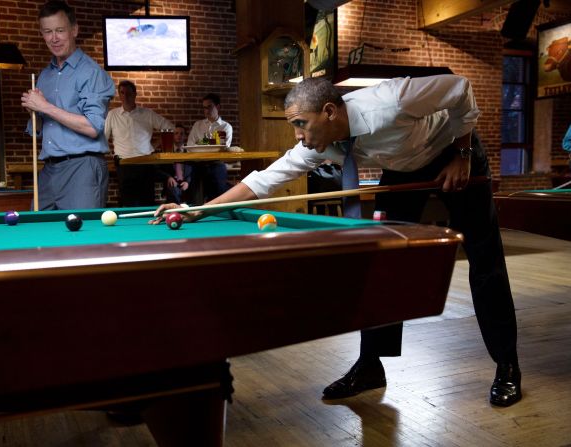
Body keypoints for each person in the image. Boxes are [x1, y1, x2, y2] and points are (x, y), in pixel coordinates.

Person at [153, 75, 522, 407]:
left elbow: (460, 89)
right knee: (383, 265)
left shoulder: (393, 100)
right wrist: (196, 211)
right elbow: (263, 181)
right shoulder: (321, 144)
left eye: (301, 124)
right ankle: (370, 365)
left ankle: (507, 364)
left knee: (484, 259)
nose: (297, 135)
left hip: (454, 153)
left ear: (329, 111)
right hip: (402, 168)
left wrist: (462, 153)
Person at [21, 0, 114, 210]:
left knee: (83, 238)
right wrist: (33, 113)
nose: (54, 38)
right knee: (37, 233)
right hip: (49, 170)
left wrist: (44, 107)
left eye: (60, 30)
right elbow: (38, 132)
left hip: (83, 168)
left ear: (74, 30)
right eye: (47, 31)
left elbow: (92, 127)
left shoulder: (91, 73)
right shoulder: (45, 75)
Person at [105, 80, 174, 206]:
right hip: (124, 162)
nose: (125, 96)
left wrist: (154, 145)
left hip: (146, 161)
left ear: (135, 94)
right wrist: (110, 154)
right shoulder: (112, 115)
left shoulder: (147, 114)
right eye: (122, 93)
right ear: (119, 95)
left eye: (129, 93)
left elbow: (170, 127)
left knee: (147, 200)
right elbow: (104, 138)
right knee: (127, 201)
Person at [187, 93, 233, 201]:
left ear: (218, 107)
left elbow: (223, 147)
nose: (206, 110)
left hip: (216, 166)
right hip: (198, 166)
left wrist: (201, 142)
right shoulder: (197, 125)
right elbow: (189, 146)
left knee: (218, 201)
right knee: (196, 201)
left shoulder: (226, 126)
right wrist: (214, 142)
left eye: (209, 107)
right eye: (204, 108)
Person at [159, 125, 194, 204]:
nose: (179, 135)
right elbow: (158, 169)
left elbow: (194, 170)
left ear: (185, 136)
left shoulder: (190, 152)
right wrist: (168, 177)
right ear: (173, 135)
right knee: (173, 190)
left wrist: (187, 182)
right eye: (176, 133)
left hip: (186, 184)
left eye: (182, 134)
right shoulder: (165, 150)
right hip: (172, 184)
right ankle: (178, 210)